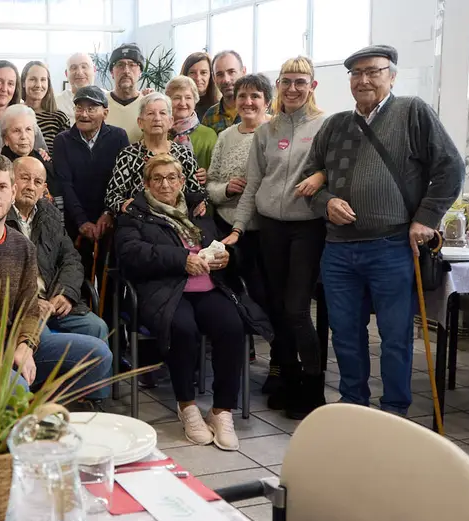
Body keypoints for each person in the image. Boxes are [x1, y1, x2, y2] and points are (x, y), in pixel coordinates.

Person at [302, 45, 463, 416]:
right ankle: (353, 404)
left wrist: (426, 218)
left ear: (391, 75)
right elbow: (308, 179)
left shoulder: (412, 112)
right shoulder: (335, 124)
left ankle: (394, 410)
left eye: (373, 71)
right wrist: (325, 202)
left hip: (391, 246)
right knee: (344, 333)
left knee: (394, 337)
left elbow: (450, 168)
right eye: (356, 74)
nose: (364, 80)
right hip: (339, 249)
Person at [116, 154, 271, 451]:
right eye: (157, 178)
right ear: (146, 183)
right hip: (165, 290)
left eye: (171, 178)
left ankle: (221, 410)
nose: (165, 184)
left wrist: (228, 257)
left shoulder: (199, 211)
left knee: (232, 326)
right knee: (182, 329)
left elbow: (221, 243)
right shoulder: (134, 214)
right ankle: (186, 406)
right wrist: (182, 260)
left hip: (210, 287)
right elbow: (131, 254)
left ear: (182, 181)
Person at [0, 153, 113, 399]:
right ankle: (18, 410)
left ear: (12, 192)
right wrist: (5, 355)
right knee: (17, 390)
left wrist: (26, 345)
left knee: (99, 354)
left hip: (17, 342)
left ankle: (44, 410)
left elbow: (28, 308)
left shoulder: (21, 246)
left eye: (2, 187)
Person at [221, 56, 329, 418]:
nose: (293, 88)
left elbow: (338, 168)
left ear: (312, 85)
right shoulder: (267, 131)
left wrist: (323, 177)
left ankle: (313, 387)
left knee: (298, 308)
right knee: (278, 308)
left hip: (307, 226)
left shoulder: (326, 125)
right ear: (279, 86)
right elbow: (253, 184)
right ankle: (287, 377)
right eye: (287, 81)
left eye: (301, 81)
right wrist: (238, 227)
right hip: (270, 227)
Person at [207, 74, 275, 379]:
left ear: (267, 101)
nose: (247, 102)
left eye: (255, 96)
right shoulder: (226, 137)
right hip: (226, 226)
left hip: (264, 229)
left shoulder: (275, 132)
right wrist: (226, 189)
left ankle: (279, 360)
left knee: (265, 294)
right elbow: (210, 183)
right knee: (230, 293)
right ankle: (240, 352)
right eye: (242, 96)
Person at [7, 156, 109, 344]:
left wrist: (66, 293)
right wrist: (31, 302)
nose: (30, 186)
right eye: (24, 178)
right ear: (11, 180)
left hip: (53, 301)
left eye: (37, 181)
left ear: (43, 188)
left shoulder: (49, 213)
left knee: (97, 327)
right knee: (42, 337)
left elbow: (71, 259)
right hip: (20, 309)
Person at [104, 92, 206, 216]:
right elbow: (112, 196)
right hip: (140, 222)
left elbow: (199, 193)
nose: (157, 118)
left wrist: (201, 203)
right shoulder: (128, 155)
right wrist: (124, 204)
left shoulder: (184, 154)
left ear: (170, 121)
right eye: (150, 113)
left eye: (162, 113)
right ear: (140, 122)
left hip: (180, 221)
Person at [53, 86, 130, 249]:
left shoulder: (119, 137)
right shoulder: (62, 141)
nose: (84, 114)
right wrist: (81, 221)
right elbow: (65, 185)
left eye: (91, 108)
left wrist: (108, 213)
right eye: (79, 108)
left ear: (105, 113)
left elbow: (123, 181)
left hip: (111, 222)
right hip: (74, 223)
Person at [0, 60, 49, 154]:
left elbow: (42, 153)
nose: (4, 89)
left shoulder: (25, 115)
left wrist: (42, 154)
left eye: (10, 83)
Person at [0, 104, 55, 199]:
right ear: (5, 139)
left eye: (28, 129)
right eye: (16, 131)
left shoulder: (43, 161)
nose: (24, 136)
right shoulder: (0, 168)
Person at [165, 75, 218, 170]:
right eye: (177, 98)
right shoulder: (159, 132)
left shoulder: (209, 135)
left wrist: (207, 176)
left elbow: (216, 173)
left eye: (188, 97)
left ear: (195, 101)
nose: (182, 103)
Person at [104, 43, 147, 143]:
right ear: (111, 72)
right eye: (120, 65)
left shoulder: (148, 105)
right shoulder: (100, 105)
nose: (126, 71)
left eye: (132, 65)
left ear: (140, 72)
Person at [20, 60, 71, 143]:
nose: (38, 85)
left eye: (43, 80)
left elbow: (67, 152)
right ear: (23, 83)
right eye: (33, 79)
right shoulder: (14, 114)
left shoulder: (60, 118)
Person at [202, 50, 246, 133]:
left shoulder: (259, 109)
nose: (226, 80)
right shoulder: (209, 117)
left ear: (243, 72)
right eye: (220, 74)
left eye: (231, 72)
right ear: (214, 78)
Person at [55, 52, 96, 118]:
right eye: (74, 68)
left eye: (84, 67)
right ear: (66, 74)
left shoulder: (107, 99)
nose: (79, 72)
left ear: (94, 70)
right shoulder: (57, 103)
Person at [182, 51, 221, 120]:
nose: (198, 78)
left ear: (211, 76)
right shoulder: (176, 106)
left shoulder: (220, 109)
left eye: (203, 73)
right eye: (192, 73)